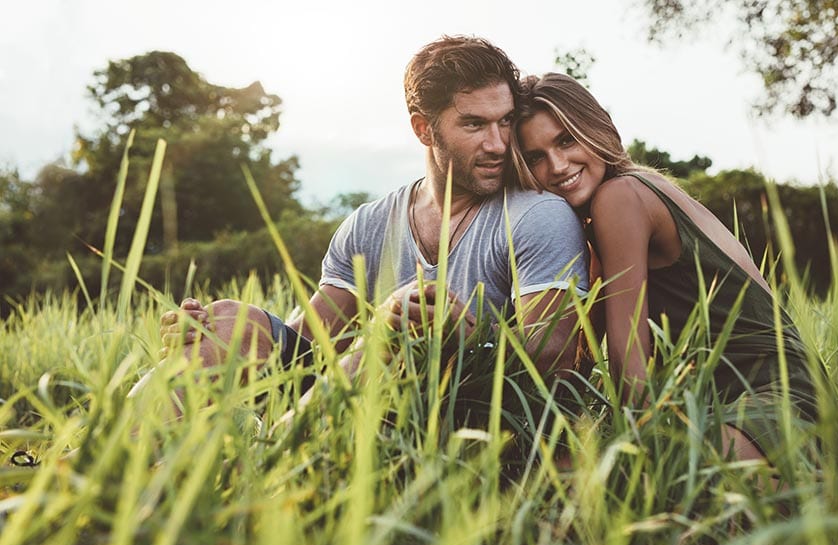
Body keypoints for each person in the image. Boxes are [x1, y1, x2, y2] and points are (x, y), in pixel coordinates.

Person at [152, 38, 589, 406]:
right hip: (353, 400)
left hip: (467, 413)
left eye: (506, 121)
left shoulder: (537, 214)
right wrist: (223, 325)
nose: (497, 144)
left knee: (408, 331)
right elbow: (309, 347)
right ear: (424, 129)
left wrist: (468, 340)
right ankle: (109, 469)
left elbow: (554, 358)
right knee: (231, 320)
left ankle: (274, 461)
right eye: (474, 124)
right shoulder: (369, 224)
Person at [510, 73, 818, 465]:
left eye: (566, 139)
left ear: (597, 128)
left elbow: (628, 361)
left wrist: (640, 454)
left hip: (775, 396)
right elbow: (578, 361)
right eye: (535, 157)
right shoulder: (604, 222)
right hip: (721, 401)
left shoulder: (620, 197)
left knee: (655, 481)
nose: (556, 165)